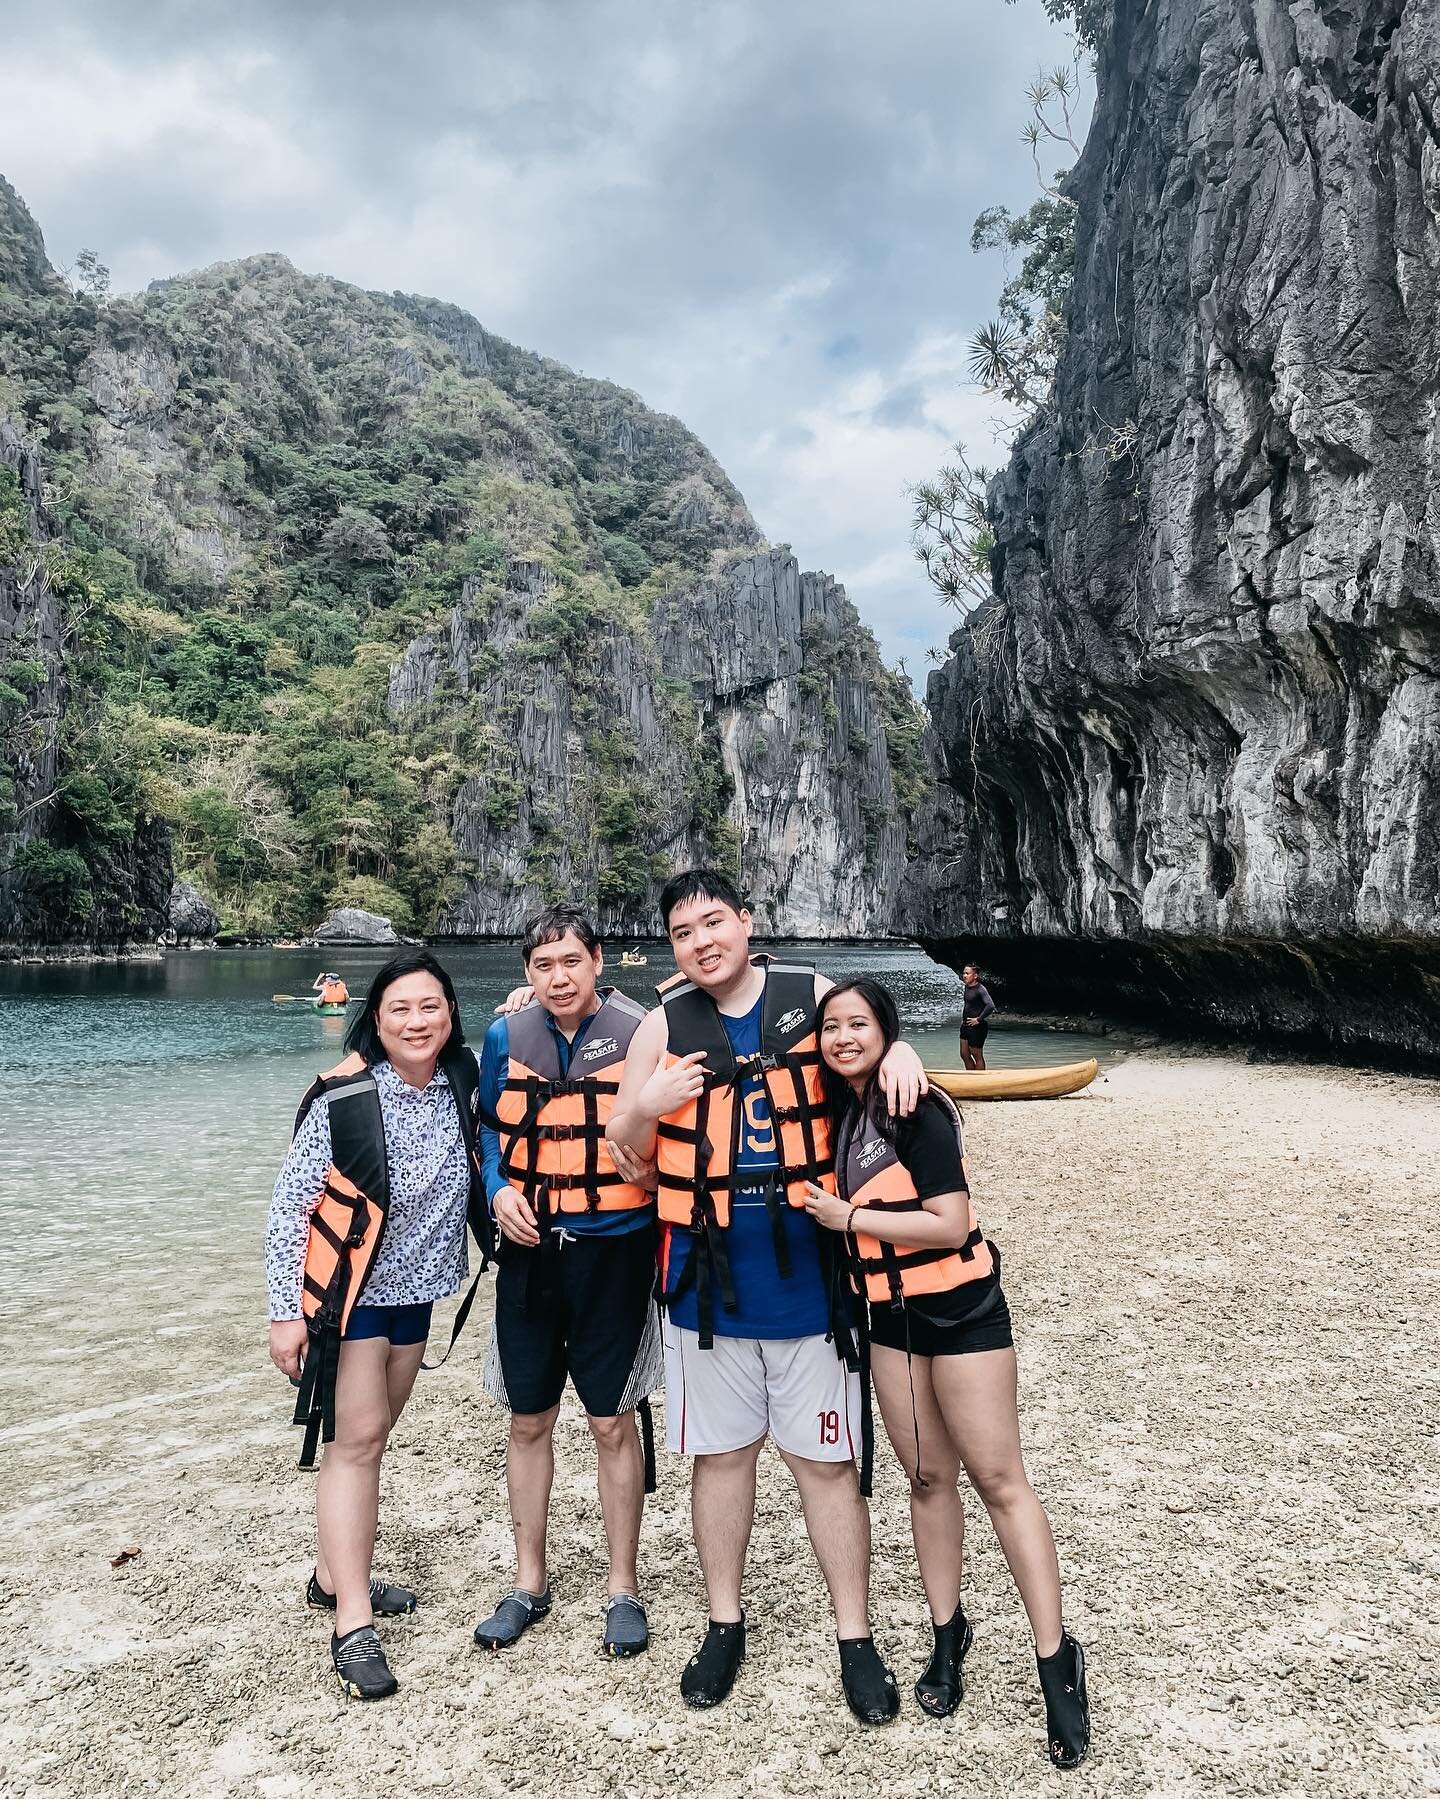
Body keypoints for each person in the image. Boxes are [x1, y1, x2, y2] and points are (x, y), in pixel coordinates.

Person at [607, 869, 927, 1725]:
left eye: (714, 922)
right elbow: (619, 1141)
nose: (700, 941)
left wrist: (900, 1048)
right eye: (682, 931)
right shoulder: (663, 1023)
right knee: (721, 1458)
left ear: (747, 923)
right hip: (705, 1291)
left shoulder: (807, 992)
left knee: (826, 1464)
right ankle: (723, 1622)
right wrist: (648, 1101)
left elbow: (867, 1035)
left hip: (811, 1283)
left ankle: (855, 1636)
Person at [805, 978, 1090, 1769]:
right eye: (832, 1027)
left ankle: (1056, 1661)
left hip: (959, 1310)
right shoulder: (838, 1107)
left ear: (886, 1032)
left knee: (999, 1479)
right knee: (927, 1477)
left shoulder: (915, 1105)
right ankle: (946, 1633)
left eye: (862, 1026)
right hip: (888, 1318)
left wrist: (849, 1217)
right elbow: (759, 1013)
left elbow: (950, 1222)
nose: (842, 1037)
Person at [265, 950, 490, 1702]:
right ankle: (352, 1620)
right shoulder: (347, 1098)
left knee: (370, 1436)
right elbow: (289, 1209)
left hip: (417, 1294)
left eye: (430, 1006)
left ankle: (334, 1574)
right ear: (377, 1017)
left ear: (451, 1013)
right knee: (355, 1443)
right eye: (400, 1008)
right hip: (348, 1299)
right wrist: (284, 1314)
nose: (416, 1020)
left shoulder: (463, 1082)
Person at [474, 908, 663, 1659]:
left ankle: (623, 1585)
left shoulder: (643, 1029)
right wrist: (495, 1189)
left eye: (571, 961)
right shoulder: (503, 1036)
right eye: (543, 964)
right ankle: (529, 1580)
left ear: (597, 961)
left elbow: (678, 1122)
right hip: (528, 1251)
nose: (558, 976)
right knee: (528, 1420)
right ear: (528, 972)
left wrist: (651, 1168)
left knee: (612, 1421)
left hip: (614, 1249)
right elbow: (487, 1126)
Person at [959, 964, 995, 1071]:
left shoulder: (980, 989)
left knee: (976, 1054)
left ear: (975, 976)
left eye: (967, 973)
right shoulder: (967, 987)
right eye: (964, 973)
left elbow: (990, 1005)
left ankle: (980, 1078)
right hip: (966, 1025)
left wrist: (978, 1019)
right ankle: (970, 1077)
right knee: (964, 1054)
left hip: (977, 1027)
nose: (964, 975)